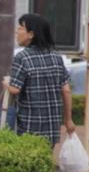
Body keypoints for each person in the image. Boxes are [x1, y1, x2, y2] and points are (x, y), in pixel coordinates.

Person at [5, 14, 76, 146]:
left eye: (20, 28)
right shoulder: (56, 57)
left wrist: (6, 83)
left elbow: (15, 89)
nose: (16, 31)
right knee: (44, 161)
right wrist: (68, 120)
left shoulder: (22, 58)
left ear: (31, 34)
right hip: (52, 128)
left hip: (29, 127)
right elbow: (66, 90)